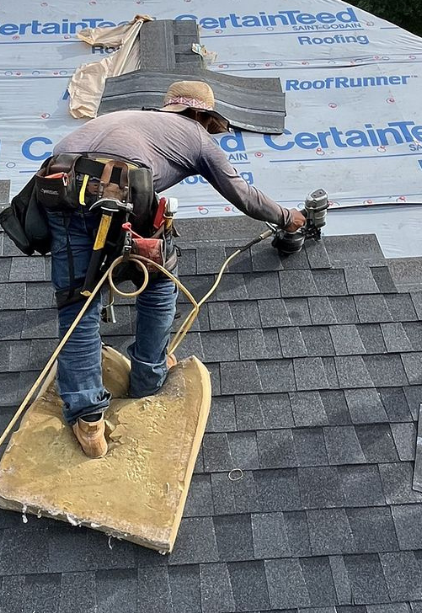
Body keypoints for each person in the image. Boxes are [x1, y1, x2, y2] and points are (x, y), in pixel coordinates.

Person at [45, 80, 304, 459]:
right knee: (158, 283)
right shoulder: (197, 136)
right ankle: (148, 375)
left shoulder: (132, 118)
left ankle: (88, 419)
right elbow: (244, 196)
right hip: (119, 187)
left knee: (78, 303)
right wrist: (288, 217)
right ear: (200, 115)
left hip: (57, 187)